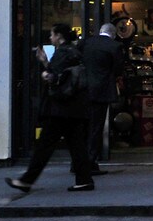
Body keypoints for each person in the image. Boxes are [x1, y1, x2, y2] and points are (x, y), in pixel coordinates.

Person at [7, 24, 96, 193]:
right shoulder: (74, 51)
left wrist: (45, 74)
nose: (50, 38)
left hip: (59, 109)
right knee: (77, 146)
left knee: (44, 146)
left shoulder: (62, 52)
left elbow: (55, 77)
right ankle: (84, 180)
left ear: (59, 36)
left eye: (52, 34)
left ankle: (27, 180)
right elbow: (65, 74)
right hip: (74, 108)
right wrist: (45, 62)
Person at [81, 20, 126, 168]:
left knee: (83, 126)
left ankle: (78, 161)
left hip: (84, 89)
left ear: (100, 31)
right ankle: (90, 161)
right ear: (113, 35)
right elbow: (118, 69)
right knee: (96, 126)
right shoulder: (115, 46)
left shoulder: (86, 43)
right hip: (102, 90)